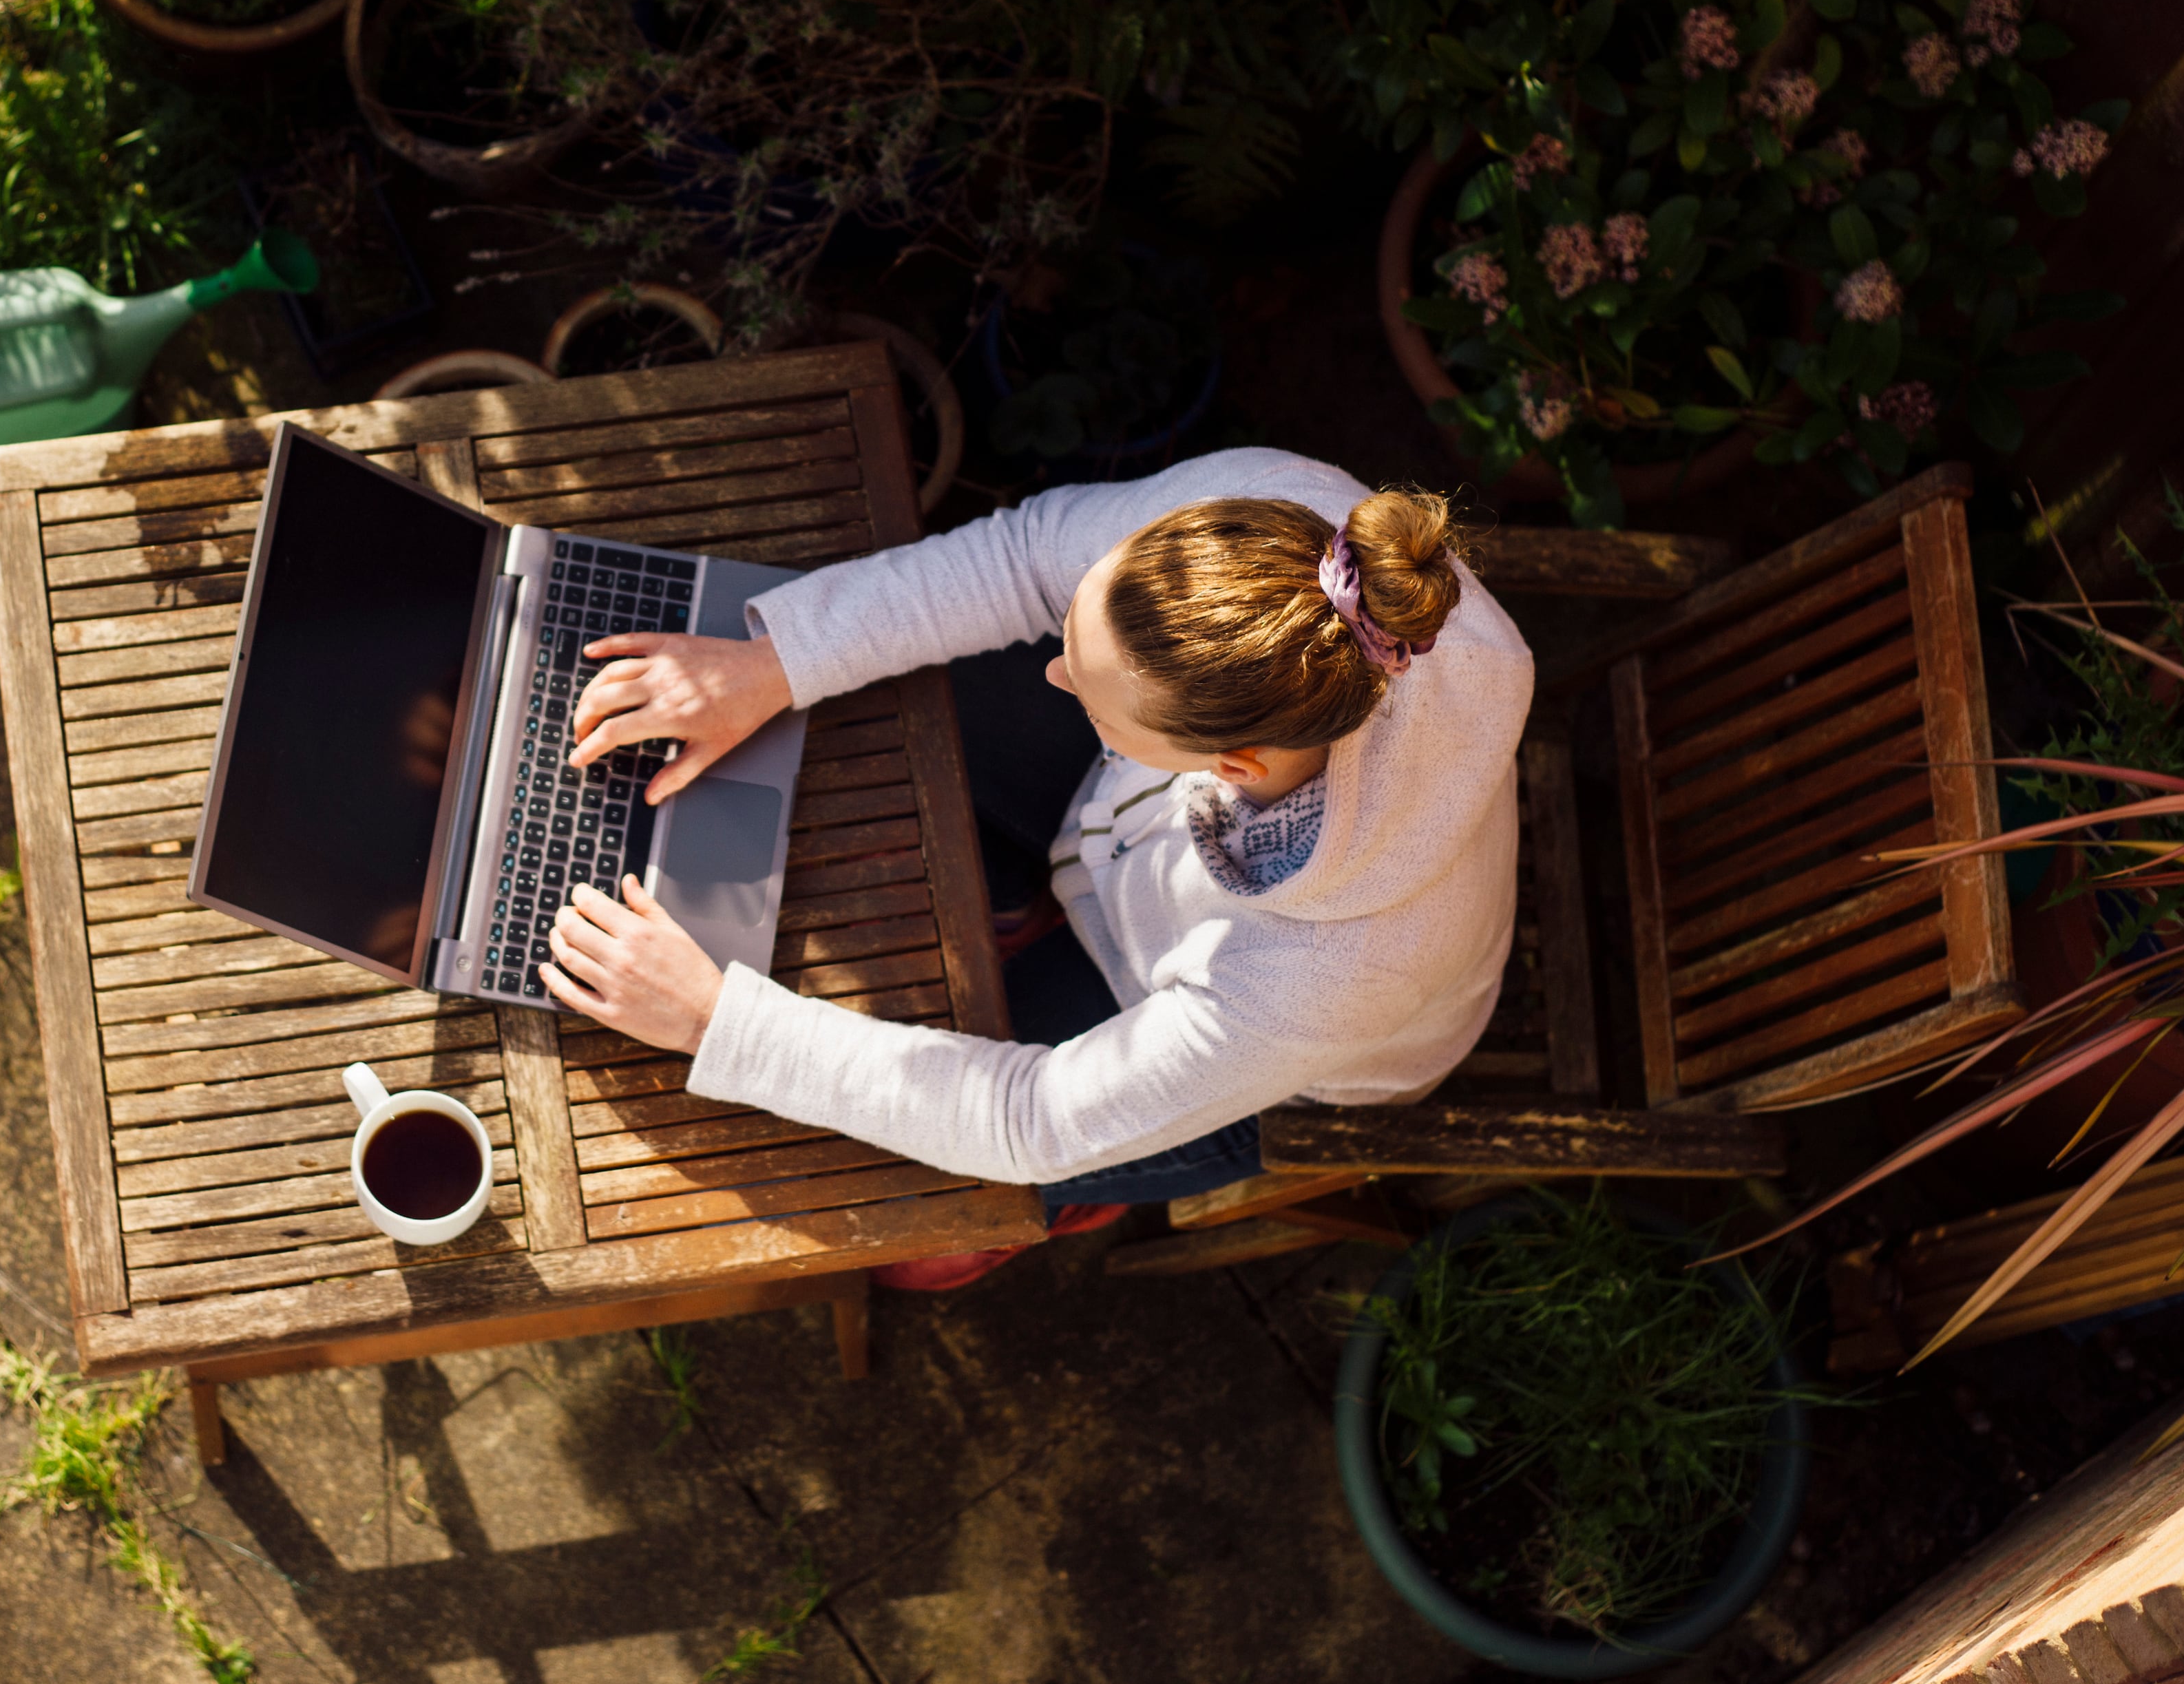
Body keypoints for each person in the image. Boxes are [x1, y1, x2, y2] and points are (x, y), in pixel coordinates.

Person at [535, 447, 1535, 1290]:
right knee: (921, 680)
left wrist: (717, 1022)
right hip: (1144, 851)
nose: (1055, 674)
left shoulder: (1317, 980)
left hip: (1280, 1064)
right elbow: (1020, 558)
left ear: (1232, 766)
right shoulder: (1278, 539)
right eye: (1076, 640)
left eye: (1093, 698)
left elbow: (1033, 1115)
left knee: (905, 1228)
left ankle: (1086, 1182)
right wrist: (773, 664)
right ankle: (1038, 891)